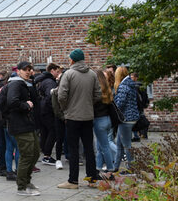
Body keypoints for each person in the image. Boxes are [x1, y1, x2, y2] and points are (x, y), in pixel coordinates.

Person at [56, 49, 103, 189]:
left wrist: (66, 109)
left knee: (73, 148)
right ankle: (92, 179)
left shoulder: (68, 74)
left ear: (73, 60)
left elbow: (61, 96)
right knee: (89, 148)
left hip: (72, 116)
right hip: (88, 116)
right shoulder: (92, 74)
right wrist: (88, 105)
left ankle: (73, 181)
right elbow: (98, 94)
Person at [2, 61, 41, 196]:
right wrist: (26, 105)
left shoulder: (26, 83)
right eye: (25, 69)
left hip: (28, 123)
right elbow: (12, 102)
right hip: (19, 124)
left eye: (30, 69)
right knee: (27, 155)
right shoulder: (16, 83)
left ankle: (26, 181)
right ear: (18, 71)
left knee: (35, 152)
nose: (28, 71)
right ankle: (22, 186)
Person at [113, 67, 140, 174]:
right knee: (119, 144)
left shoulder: (123, 86)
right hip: (130, 118)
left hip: (126, 119)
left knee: (126, 145)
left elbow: (120, 103)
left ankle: (131, 168)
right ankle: (115, 167)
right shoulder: (130, 85)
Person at [34, 63, 61, 167]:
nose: (58, 74)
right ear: (52, 71)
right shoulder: (50, 82)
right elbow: (51, 97)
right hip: (47, 110)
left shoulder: (42, 80)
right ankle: (47, 155)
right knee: (53, 131)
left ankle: (45, 153)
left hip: (41, 110)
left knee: (45, 131)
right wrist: (52, 108)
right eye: (57, 72)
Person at [93, 70, 117, 175]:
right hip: (108, 119)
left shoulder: (96, 91)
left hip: (99, 120)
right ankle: (97, 168)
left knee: (104, 147)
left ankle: (110, 169)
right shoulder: (107, 90)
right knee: (100, 146)